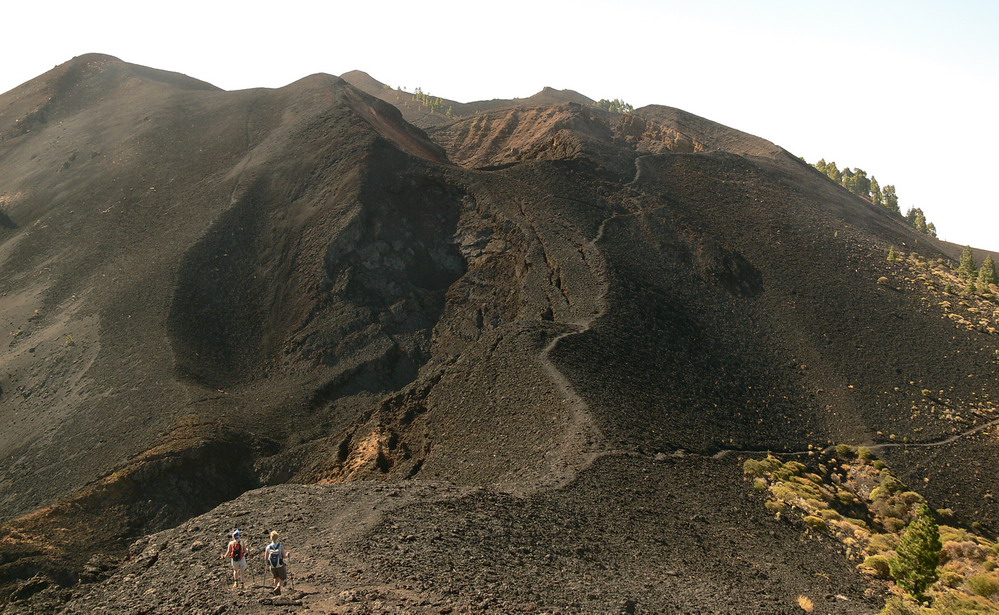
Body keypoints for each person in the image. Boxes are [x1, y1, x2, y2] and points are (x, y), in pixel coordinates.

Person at [264, 530, 289, 595]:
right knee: (283, 578)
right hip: (280, 565)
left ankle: (276, 590)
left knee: (275, 577)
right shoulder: (280, 546)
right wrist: (287, 554)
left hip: (272, 566)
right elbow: (284, 556)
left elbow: (266, 558)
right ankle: (278, 587)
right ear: (277, 538)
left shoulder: (268, 547)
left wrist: (268, 564)